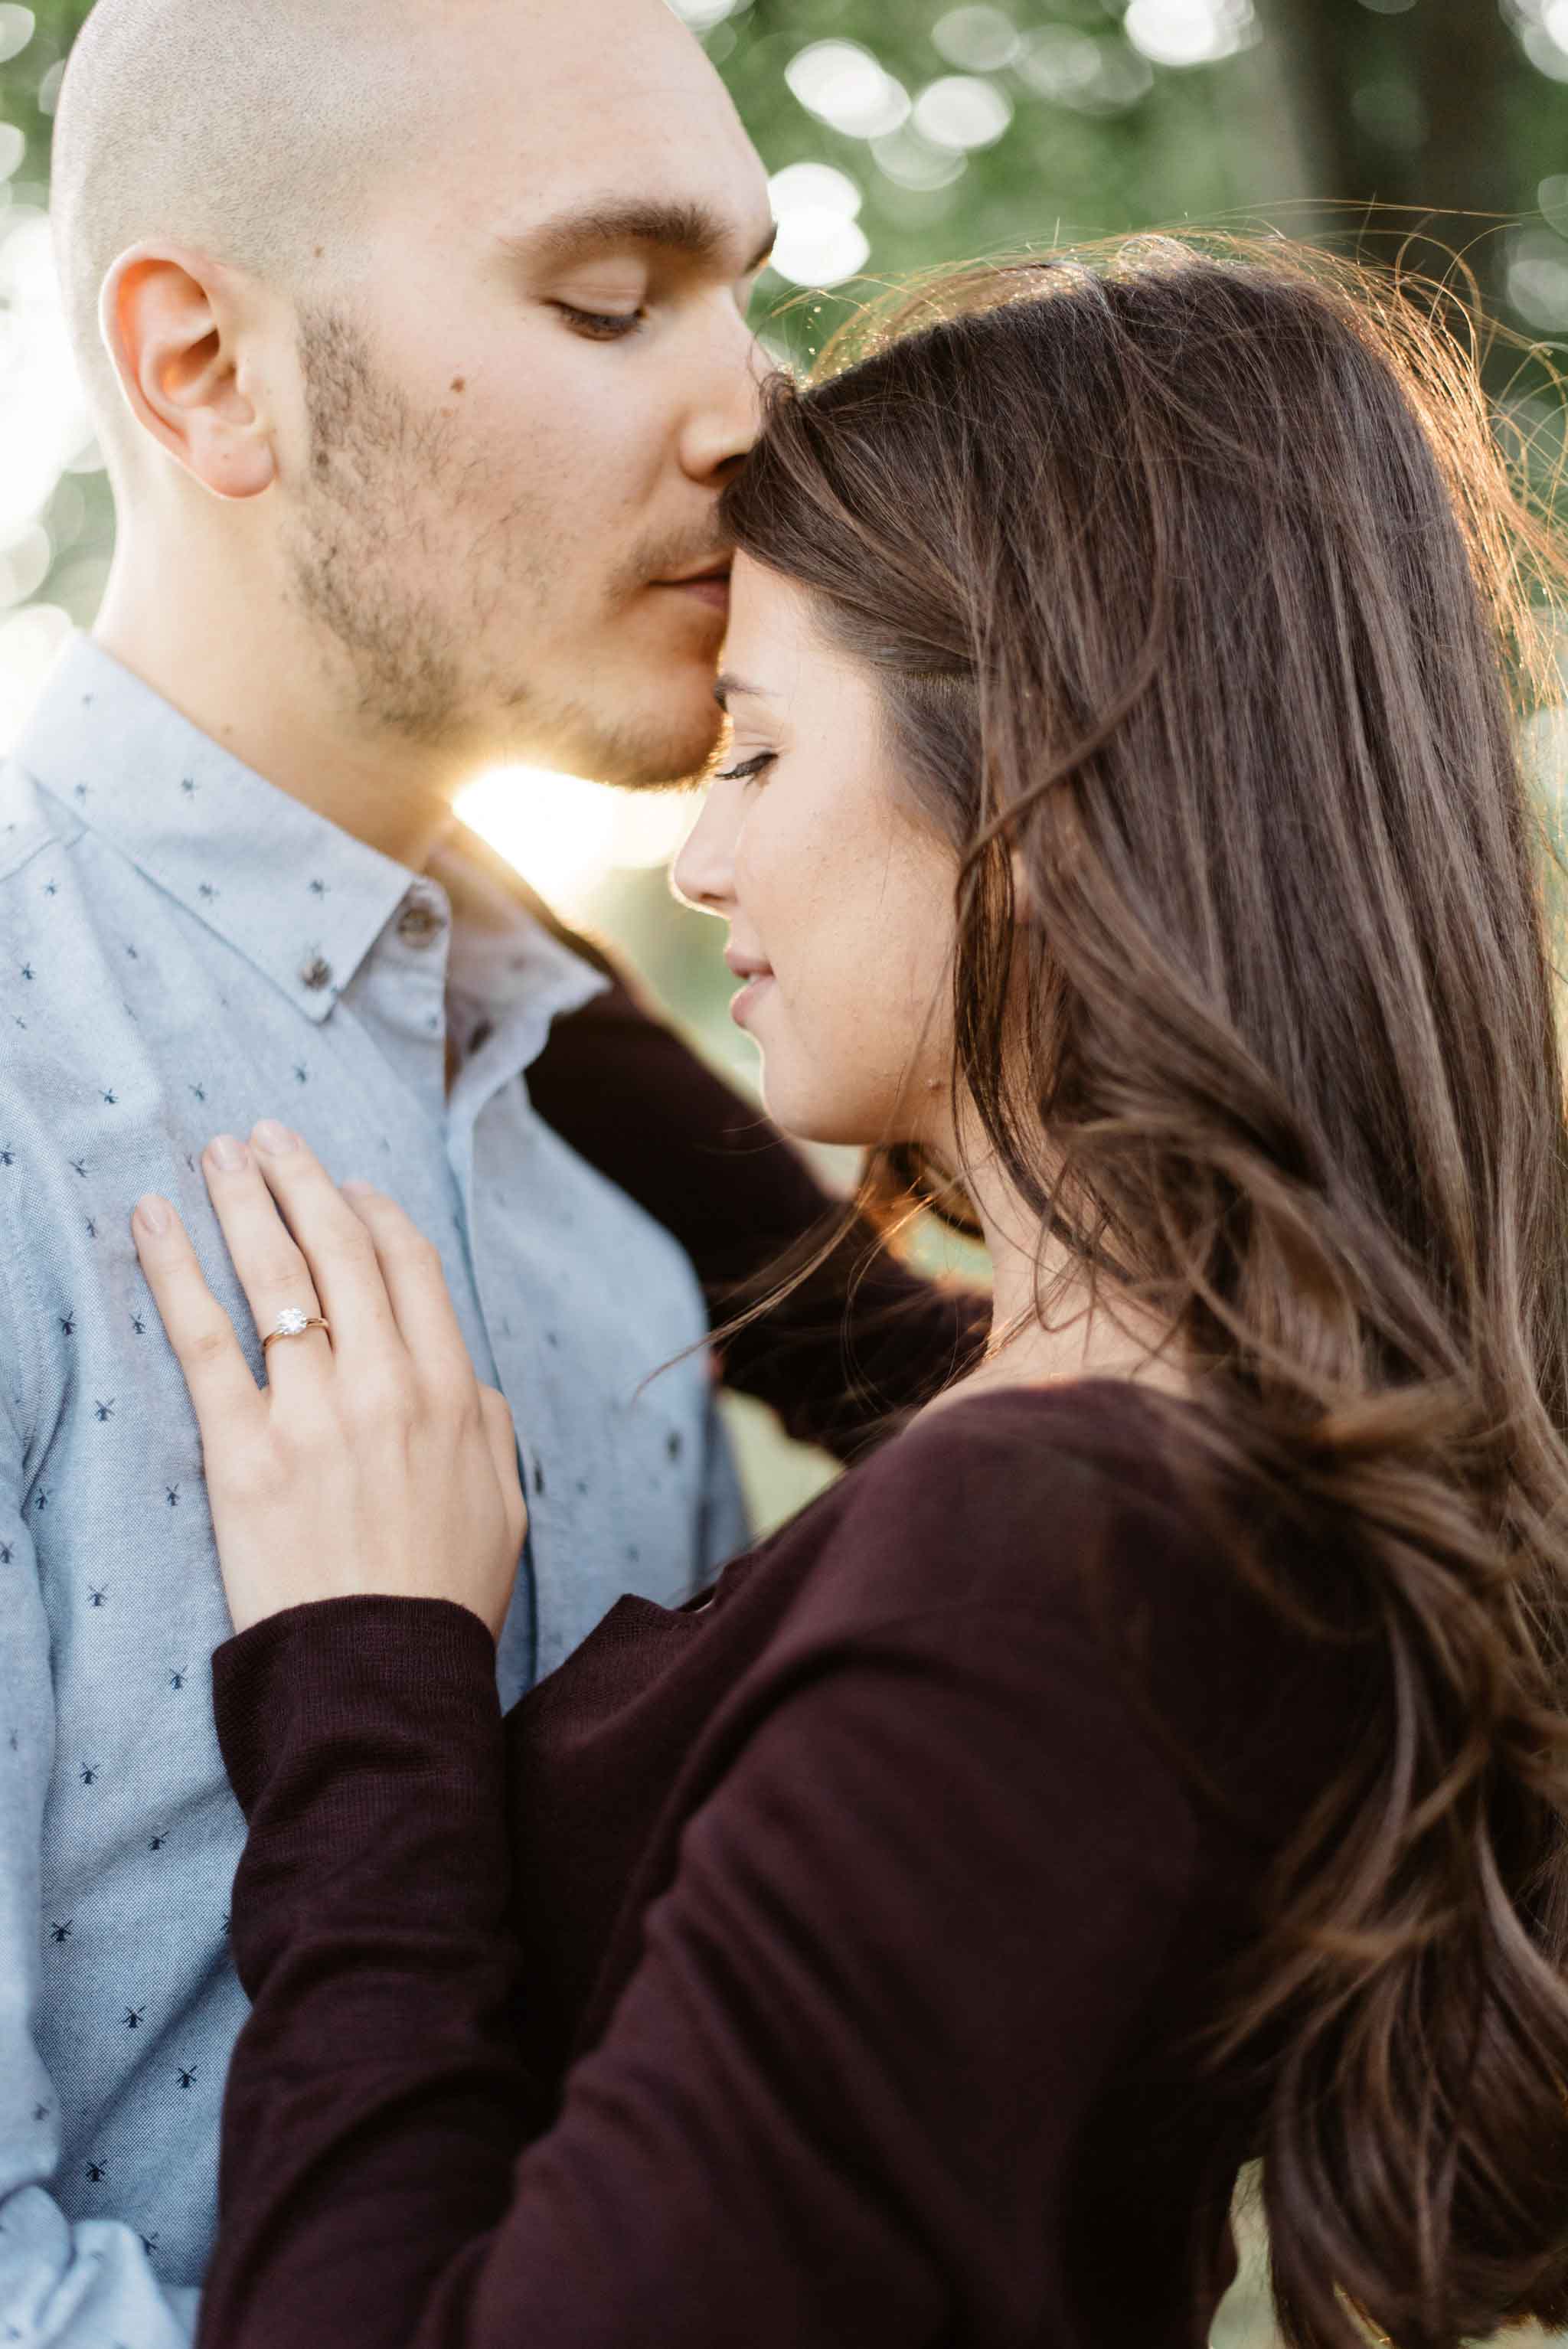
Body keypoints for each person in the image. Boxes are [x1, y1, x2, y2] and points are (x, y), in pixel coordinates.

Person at [132, 240, 1568, 2347]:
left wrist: (372, 1679)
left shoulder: (1049, 1569)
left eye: (759, 756)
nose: (704, 865)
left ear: (1044, 809)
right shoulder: (1217, 1446)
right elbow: (874, 1354)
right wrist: (418, 877)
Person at [0, 3, 982, 2340]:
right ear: (205, 369)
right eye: (610, 304)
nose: (750, 406)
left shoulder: (624, 1109)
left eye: (753, 293)